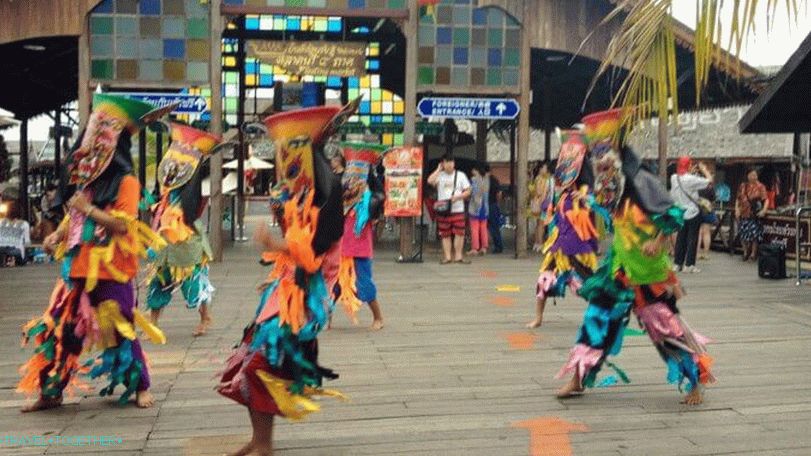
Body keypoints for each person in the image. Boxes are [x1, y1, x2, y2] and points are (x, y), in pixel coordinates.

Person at [218, 103, 354, 456]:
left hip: (305, 304)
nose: (283, 158)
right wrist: (277, 268)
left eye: (288, 148)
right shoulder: (301, 193)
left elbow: (312, 259)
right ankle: (261, 441)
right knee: (250, 362)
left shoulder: (329, 192)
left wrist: (276, 243)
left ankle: (263, 445)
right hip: (284, 294)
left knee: (261, 365)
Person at [18, 94, 168, 412]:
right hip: (76, 270)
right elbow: (74, 217)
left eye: (103, 136)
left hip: (111, 271)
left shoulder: (127, 181)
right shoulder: (84, 182)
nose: (95, 142)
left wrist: (89, 210)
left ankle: (140, 386)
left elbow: (123, 226)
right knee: (61, 331)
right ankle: (51, 391)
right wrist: (56, 234)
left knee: (121, 329)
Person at [556, 109, 714, 406]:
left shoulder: (641, 179)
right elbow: (609, 212)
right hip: (617, 268)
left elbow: (673, 214)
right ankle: (577, 378)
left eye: (605, 148)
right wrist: (586, 199)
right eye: (597, 150)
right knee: (596, 319)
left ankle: (694, 380)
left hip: (647, 272)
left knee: (664, 328)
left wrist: (658, 239)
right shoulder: (609, 182)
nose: (600, 156)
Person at [145, 123, 223, 337]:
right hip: (164, 238)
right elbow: (156, 203)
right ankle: (153, 321)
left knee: (193, 281)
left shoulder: (197, 181)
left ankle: (205, 317)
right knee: (159, 280)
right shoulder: (166, 182)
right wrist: (152, 203)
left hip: (186, 238)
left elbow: (193, 210)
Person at [527, 130, 604, 329]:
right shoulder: (562, 196)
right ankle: (538, 318)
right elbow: (552, 217)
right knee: (544, 277)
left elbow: (595, 204)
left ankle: (603, 314)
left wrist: (586, 197)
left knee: (583, 285)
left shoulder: (583, 194)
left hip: (576, 247)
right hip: (557, 243)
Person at [334, 143, 385, 331]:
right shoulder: (338, 183)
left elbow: (380, 195)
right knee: (335, 282)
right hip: (341, 242)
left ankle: (378, 316)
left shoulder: (367, 193)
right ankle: (325, 319)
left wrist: (371, 209)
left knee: (364, 282)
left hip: (360, 242)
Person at [670, 157, 712, 273]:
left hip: (680, 212)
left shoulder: (674, 178)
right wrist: (704, 170)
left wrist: (690, 171)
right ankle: (689, 265)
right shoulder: (692, 179)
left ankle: (677, 263)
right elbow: (709, 181)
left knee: (681, 238)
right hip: (693, 212)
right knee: (692, 238)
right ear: (689, 165)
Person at [428, 153, 471, 264]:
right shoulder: (440, 175)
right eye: (447, 162)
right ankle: (447, 257)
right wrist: (438, 169)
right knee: (445, 234)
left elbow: (468, 190)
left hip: (458, 208)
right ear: (443, 163)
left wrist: (458, 197)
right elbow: (429, 181)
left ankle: (458, 256)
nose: (450, 165)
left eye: (451, 162)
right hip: (443, 209)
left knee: (460, 233)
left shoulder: (461, 175)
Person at [736, 168, 768, 262]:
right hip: (743, 212)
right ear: (748, 176)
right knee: (743, 234)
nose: (754, 177)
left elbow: (765, 199)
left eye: (755, 175)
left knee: (754, 235)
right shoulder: (743, 186)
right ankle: (745, 252)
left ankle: (753, 254)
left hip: (754, 213)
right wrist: (736, 209)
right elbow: (738, 198)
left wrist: (764, 210)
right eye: (752, 175)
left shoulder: (760, 186)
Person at [529, 161, 554, 252]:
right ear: (540, 169)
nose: (546, 169)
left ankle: (536, 243)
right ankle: (540, 243)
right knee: (541, 225)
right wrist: (545, 195)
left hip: (537, 203)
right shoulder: (541, 179)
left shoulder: (537, 178)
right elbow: (539, 192)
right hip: (541, 204)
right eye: (544, 168)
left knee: (538, 225)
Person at [467, 164, 489, 255]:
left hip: (475, 207)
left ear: (476, 170)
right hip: (485, 207)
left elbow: (471, 193)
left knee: (474, 228)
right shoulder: (486, 180)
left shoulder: (473, 180)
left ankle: (475, 248)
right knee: (483, 228)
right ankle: (484, 247)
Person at [696, 182, 717, 260]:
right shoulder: (710, 187)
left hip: (697, 210)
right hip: (707, 210)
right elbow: (713, 200)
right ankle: (706, 253)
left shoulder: (696, 185)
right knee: (707, 232)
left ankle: (697, 253)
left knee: (698, 232)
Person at [486, 165, 504, 254]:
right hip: (493, 204)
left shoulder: (485, 180)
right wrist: (498, 202)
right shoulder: (495, 180)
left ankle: (497, 246)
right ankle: (498, 246)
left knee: (490, 227)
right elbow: (499, 193)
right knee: (495, 227)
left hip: (489, 205)